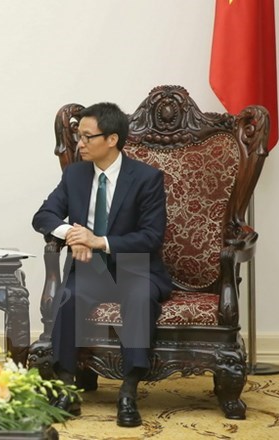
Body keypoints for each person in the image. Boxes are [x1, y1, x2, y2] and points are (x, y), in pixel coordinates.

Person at [32, 102, 172, 427]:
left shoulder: (146, 178)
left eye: (86, 137)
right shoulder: (75, 174)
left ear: (112, 139)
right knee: (69, 298)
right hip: (92, 268)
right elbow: (43, 216)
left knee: (138, 296)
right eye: (78, 136)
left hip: (136, 266)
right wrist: (74, 235)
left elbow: (151, 236)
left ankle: (128, 391)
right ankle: (67, 387)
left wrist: (99, 242)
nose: (78, 144)